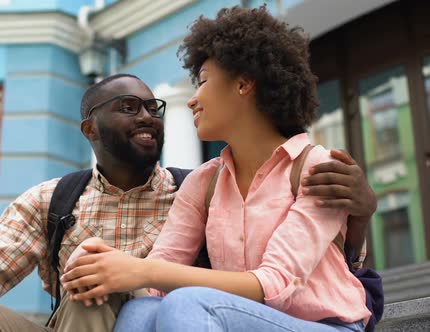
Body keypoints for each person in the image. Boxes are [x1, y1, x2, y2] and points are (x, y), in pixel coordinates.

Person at [0, 71, 375, 332]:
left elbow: (301, 263)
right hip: (63, 328)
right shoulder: (53, 199)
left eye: (152, 107)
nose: (149, 116)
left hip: (128, 319)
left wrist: (359, 218)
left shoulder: (197, 189)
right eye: (128, 108)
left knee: (104, 291)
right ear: (90, 129)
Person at [61, 6, 373, 332]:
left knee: (187, 303)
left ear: (243, 84)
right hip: (232, 320)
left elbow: (274, 284)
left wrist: (141, 271)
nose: (192, 100)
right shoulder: (203, 182)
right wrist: (105, 261)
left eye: (204, 82)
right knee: (141, 310)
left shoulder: (315, 167)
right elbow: (156, 275)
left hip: (324, 326)